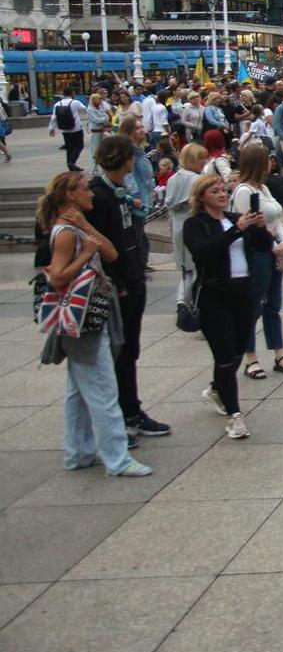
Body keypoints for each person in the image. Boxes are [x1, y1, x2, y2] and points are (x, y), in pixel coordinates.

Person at [38, 171, 148, 477]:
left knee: (78, 388)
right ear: (71, 195)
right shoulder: (66, 234)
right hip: (82, 318)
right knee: (102, 387)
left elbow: (111, 253)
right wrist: (85, 252)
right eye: (86, 189)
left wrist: (87, 228)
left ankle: (79, 452)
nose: (92, 194)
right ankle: (117, 458)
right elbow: (57, 277)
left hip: (88, 316)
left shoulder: (76, 227)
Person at [86, 135, 169, 440]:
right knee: (117, 353)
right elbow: (99, 246)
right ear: (125, 159)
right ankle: (120, 417)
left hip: (132, 279)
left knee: (129, 351)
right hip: (118, 285)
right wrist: (117, 282)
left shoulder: (118, 192)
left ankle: (131, 410)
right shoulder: (98, 196)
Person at [186, 173, 272, 439]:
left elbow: (264, 247)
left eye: (224, 190)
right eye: (215, 191)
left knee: (236, 351)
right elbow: (203, 253)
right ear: (202, 198)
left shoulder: (236, 220)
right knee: (224, 356)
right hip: (214, 294)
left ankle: (217, 388)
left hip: (243, 292)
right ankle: (235, 415)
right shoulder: (195, 224)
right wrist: (238, 230)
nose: (222, 195)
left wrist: (259, 228)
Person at [231, 142, 283, 380]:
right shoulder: (243, 192)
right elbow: (253, 227)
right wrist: (274, 247)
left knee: (273, 305)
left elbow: (275, 219)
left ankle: (279, 353)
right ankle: (251, 357)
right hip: (257, 254)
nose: (271, 163)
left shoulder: (263, 189)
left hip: (272, 251)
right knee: (254, 305)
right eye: (267, 160)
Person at [167, 143, 208, 310]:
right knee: (195, 267)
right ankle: (186, 301)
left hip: (177, 226)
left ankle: (182, 300)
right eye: (201, 159)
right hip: (194, 227)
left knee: (186, 269)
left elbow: (169, 204)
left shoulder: (172, 179)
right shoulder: (197, 180)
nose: (205, 162)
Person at [48, 91, 90, 171]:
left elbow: (54, 117)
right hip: (76, 128)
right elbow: (85, 110)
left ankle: (70, 163)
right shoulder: (75, 102)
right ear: (72, 94)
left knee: (69, 147)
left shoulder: (57, 104)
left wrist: (51, 129)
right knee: (79, 146)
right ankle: (72, 162)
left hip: (64, 129)